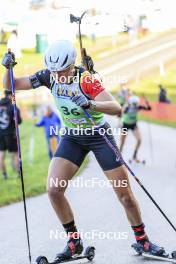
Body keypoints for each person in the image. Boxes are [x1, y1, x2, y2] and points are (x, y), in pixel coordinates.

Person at [2, 40, 165, 260]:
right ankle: (74, 242)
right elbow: (12, 86)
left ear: (71, 66)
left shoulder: (86, 80)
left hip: (99, 136)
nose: (57, 76)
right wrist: (8, 68)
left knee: (125, 196)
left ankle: (143, 241)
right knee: (53, 189)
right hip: (72, 137)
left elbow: (116, 108)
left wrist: (90, 104)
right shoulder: (49, 76)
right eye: (54, 71)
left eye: (61, 71)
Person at [119, 95, 151, 162]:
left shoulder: (138, 107)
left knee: (139, 140)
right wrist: (123, 108)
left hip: (134, 125)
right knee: (122, 141)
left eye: (136, 104)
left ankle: (134, 156)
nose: (135, 105)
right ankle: (119, 156)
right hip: (125, 125)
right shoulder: (127, 108)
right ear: (130, 103)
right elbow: (121, 112)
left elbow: (149, 108)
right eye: (134, 104)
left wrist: (147, 102)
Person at [0, 89, 22, 179]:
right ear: (11, 95)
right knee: (15, 154)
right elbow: (19, 121)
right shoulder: (12, 106)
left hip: (0, 133)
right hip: (10, 133)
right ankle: (18, 174)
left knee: (1, 154)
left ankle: (4, 174)